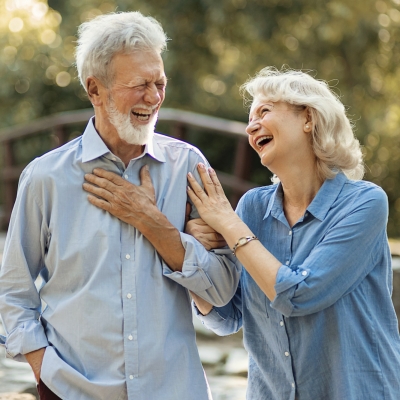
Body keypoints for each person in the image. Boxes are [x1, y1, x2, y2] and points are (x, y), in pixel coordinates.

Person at [0, 12, 240, 400]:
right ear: (95, 89)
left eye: (160, 83)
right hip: (71, 390)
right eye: (140, 85)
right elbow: (13, 291)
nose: (155, 97)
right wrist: (44, 366)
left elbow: (225, 292)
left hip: (174, 390)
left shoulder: (189, 167)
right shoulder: (45, 177)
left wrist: (155, 225)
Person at [185, 67, 400, 400]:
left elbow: (300, 294)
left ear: (308, 119)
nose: (251, 125)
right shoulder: (252, 209)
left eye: (264, 111)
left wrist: (229, 225)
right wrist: (191, 249)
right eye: (250, 117)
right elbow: (227, 317)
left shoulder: (364, 204)